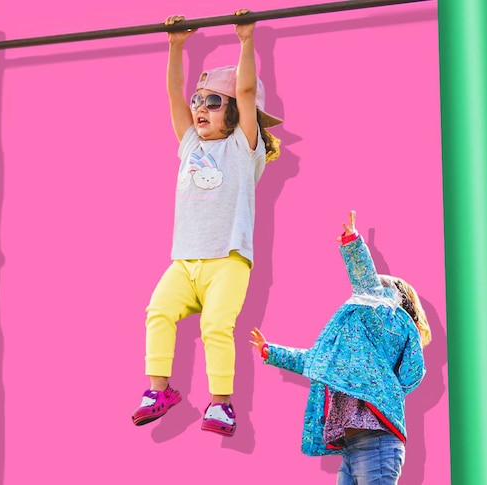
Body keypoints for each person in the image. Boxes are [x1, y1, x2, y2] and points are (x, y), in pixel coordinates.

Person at [131, 9, 283, 438]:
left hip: (228, 260)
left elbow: (248, 88)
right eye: (199, 101)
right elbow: (172, 94)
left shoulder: (242, 146)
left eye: (213, 102)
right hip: (185, 261)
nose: (199, 108)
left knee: (215, 326)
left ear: (234, 112)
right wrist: (175, 47)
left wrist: (246, 41)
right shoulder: (189, 144)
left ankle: (221, 404)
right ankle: (158, 391)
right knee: (157, 311)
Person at [250, 210, 431, 484]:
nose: (360, 298)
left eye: (372, 292)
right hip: (351, 447)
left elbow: (367, 284)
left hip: (377, 444)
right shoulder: (352, 353)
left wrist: (353, 244)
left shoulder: (384, 322)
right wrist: (271, 352)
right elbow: (313, 360)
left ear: (391, 303)